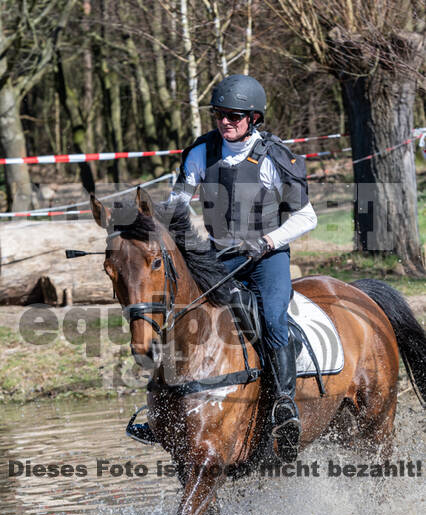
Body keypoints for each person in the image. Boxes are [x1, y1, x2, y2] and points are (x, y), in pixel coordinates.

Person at [129, 75, 317, 463]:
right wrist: (154, 219)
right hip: (219, 258)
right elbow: (179, 200)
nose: (225, 122)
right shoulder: (202, 152)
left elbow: (307, 217)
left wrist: (266, 242)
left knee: (272, 319)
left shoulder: (272, 157)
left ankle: (284, 404)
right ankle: (163, 409)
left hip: (267, 258)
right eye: (219, 115)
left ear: (253, 118)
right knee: (180, 315)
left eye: (233, 116)